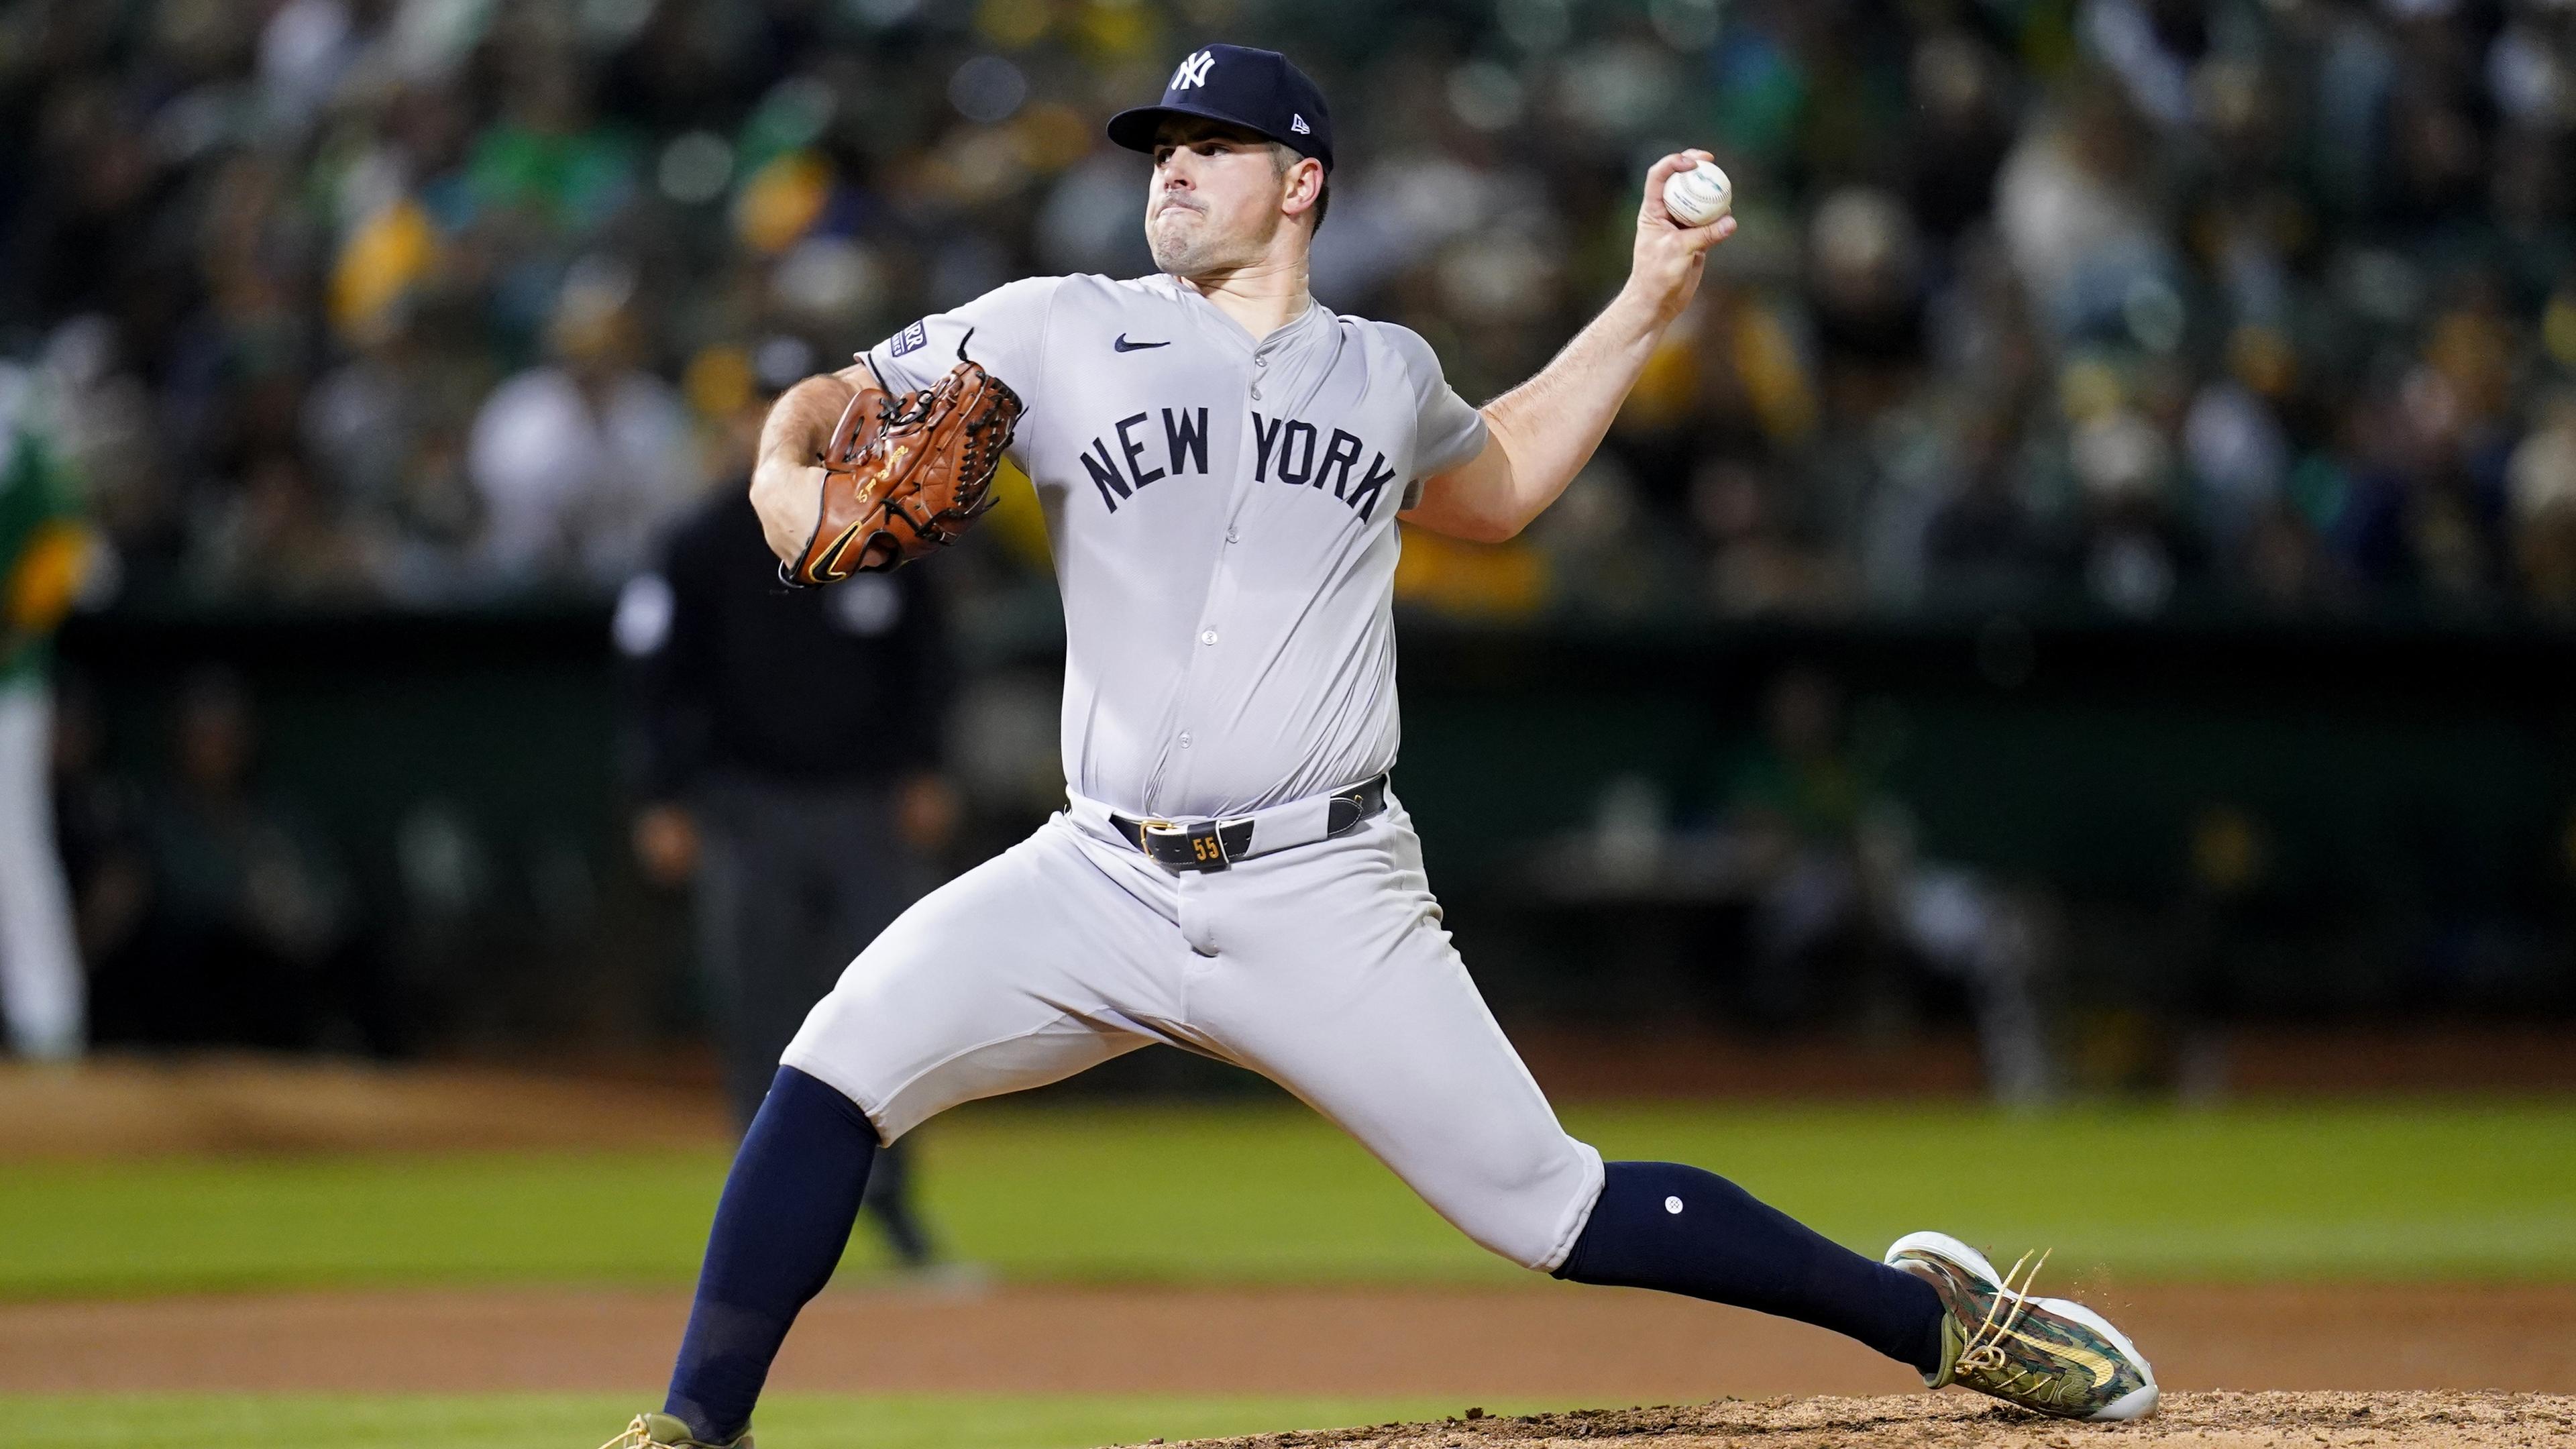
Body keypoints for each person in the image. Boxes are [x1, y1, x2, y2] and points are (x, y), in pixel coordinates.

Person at [604, 45, 2158, 1449]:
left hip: (1320, 884)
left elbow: (1501, 488)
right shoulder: (1053, 328)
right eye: (1159, 144)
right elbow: (840, 399)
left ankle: (1943, 1322)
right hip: (1096, 873)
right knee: (831, 1063)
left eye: (1210, 144)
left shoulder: (1387, 373)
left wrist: (1642, 302)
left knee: (1551, 1204)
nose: (1171, 166)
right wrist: (781, 455)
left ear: (1301, 183)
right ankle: (691, 1423)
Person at [617, 482, 962, 1270]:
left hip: (865, 806)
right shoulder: (700, 538)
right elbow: (653, 673)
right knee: (758, 1007)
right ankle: (765, 1228)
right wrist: (661, 794)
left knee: (890, 1008)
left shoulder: (881, 521)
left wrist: (926, 764)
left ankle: (893, 1205)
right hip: (748, 807)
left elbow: (931, 653)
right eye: (758, 405)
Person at [0, 369, 89, 1061]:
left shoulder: (15, 405)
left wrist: (18, 626)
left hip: (7, 680)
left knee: (13, 844)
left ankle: (47, 1022)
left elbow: (61, 542)